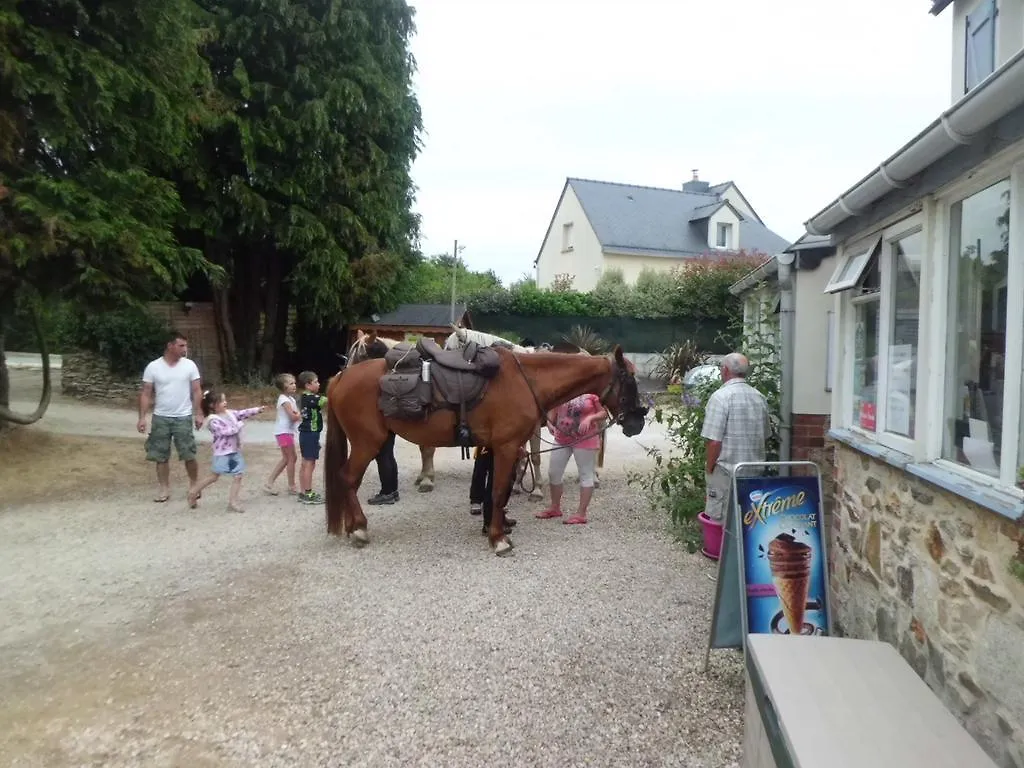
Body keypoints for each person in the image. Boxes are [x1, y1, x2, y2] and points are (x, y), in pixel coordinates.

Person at [700, 352, 771, 522]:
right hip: (754, 473)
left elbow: (714, 441)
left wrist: (709, 469)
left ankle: (724, 550)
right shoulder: (759, 397)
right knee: (749, 522)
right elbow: (766, 435)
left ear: (724, 370)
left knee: (722, 524)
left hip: (726, 473)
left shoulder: (720, 397)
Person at [137, 330, 203, 503]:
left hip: (183, 416)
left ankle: (194, 485)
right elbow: (146, 393)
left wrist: (199, 413)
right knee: (160, 455)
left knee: (188, 453)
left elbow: (197, 390)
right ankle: (164, 488)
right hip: (161, 417)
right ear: (170, 346)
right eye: (181, 345)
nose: (185, 349)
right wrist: (142, 417)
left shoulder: (189, 365)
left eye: (185, 345)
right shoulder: (153, 367)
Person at [535, 393, 609, 525]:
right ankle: (555, 507)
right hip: (562, 438)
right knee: (553, 472)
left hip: (585, 439)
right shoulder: (565, 390)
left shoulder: (592, 395)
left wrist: (590, 418)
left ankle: (581, 513)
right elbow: (552, 412)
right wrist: (550, 423)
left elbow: (603, 414)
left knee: (585, 474)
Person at [188, 389, 265, 512]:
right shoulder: (212, 420)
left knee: (238, 475)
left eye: (225, 400)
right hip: (222, 453)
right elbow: (224, 432)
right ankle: (193, 492)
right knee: (214, 476)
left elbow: (242, 413)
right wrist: (238, 426)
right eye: (221, 401)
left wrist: (256, 410)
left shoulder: (230, 413)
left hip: (235, 450)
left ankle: (233, 502)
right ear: (212, 405)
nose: (225, 402)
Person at [265, 373, 301, 495]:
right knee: (291, 458)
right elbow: (293, 417)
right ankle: (291, 486)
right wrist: (302, 415)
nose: (294, 385)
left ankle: (269, 483)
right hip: (283, 432)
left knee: (287, 458)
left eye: (294, 383)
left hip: (287, 432)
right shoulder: (284, 400)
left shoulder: (290, 399)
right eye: (291, 383)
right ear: (283, 386)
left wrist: (297, 415)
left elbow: (294, 414)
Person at [472, 445, 520, 535]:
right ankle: (490, 523)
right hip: (495, 444)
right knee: (497, 481)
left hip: (502, 444)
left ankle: (498, 516)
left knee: (507, 478)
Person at [296, 370, 327, 505]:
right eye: (316, 382)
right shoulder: (310, 398)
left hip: (306, 434)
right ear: (308, 385)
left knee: (305, 463)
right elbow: (326, 400)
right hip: (311, 434)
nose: (319, 384)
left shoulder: (303, 397)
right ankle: (308, 493)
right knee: (309, 463)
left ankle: (303, 492)